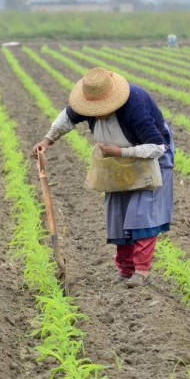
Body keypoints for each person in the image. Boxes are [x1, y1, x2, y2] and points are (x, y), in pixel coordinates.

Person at [33, 67, 174, 286]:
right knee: (118, 211)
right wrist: (46, 141)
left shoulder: (133, 107)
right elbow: (66, 118)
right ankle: (126, 269)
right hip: (115, 157)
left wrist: (122, 152)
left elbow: (158, 146)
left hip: (149, 156)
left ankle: (141, 271)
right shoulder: (87, 103)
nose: (98, 113)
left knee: (142, 212)